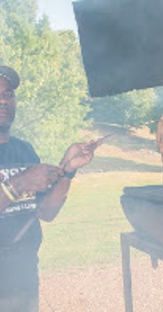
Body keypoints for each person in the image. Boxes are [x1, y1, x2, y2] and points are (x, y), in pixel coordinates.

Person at [0, 65, 101, 311]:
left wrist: (68, 170)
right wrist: (19, 183)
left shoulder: (25, 150)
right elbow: (20, 185)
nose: (4, 100)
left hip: (23, 281)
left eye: (9, 94)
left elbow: (47, 212)